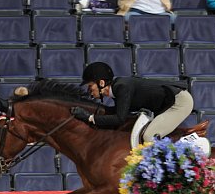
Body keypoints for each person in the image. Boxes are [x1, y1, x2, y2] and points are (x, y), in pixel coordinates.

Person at [71, 62, 205, 146]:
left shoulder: (122, 87)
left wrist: (90, 118)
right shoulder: (117, 90)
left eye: (90, 86)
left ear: (101, 83)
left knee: (148, 136)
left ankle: (185, 150)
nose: (89, 91)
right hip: (167, 104)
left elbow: (119, 118)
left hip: (179, 102)